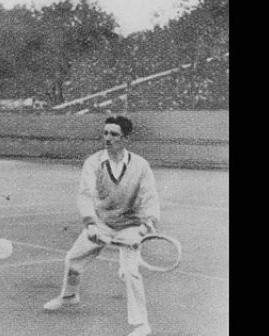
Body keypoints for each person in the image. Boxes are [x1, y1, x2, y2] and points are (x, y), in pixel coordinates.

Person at [42, 115, 160, 336]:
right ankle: (69, 295)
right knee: (73, 260)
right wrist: (91, 225)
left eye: (114, 134)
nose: (108, 138)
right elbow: (85, 195)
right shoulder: (93, 162)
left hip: (130, 226)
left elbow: (150, 198)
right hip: (101, 223)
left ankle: (142, 324)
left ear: (125, 138)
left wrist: (145, 228)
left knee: (130, 272)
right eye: (105, 133)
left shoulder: (141, 165)